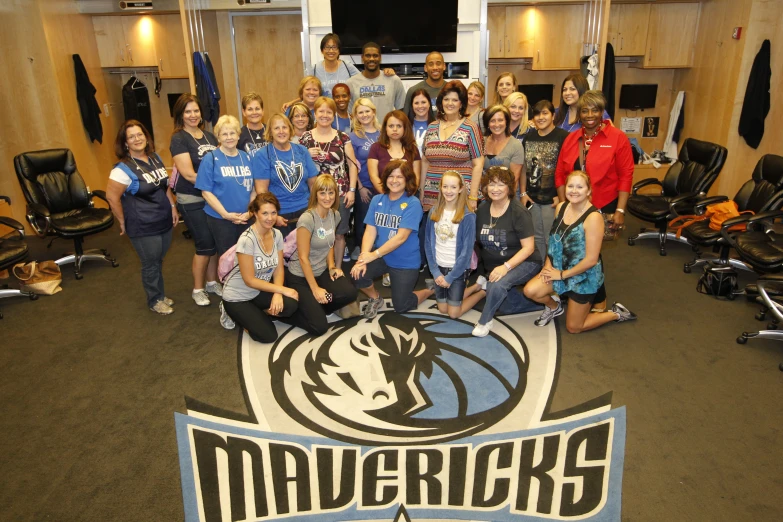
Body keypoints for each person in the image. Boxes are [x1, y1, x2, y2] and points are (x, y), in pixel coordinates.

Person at [523, 171, 636, 332]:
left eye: (579, 187)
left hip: (583, 275)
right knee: (530, 291)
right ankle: (555, 308)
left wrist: (561, 275)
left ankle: (616, 313)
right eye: (570, 186)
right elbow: (555, 241)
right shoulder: (561, 207)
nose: (574, 191)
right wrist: (548, 267)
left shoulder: (593, 218)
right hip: (560, 268)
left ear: (588, 191)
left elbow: (591, 260)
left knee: (574, 327)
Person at [106, 120, 178, 315]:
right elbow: (112, 198)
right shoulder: (122, 169)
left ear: (146, 137)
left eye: (140, 135)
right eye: (131, 137)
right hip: (143, 225)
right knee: (150, 263)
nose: (137, 139)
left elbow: (165, 186)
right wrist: (123, 221)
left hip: (163, 219)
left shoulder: (154, 158)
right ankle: (154, 299)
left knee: (158, 260)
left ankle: (160, 294)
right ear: (125, 143)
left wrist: (172, 206)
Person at [351, 159, 434, 317]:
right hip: (383, 256)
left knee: (401, 305)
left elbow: (401, 237)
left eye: (400, 177)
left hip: (405, 261)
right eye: (391, 176)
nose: (394, 180)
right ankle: (375, 298)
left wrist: (373, 255)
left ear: (407, 180)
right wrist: (363, 258)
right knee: (357, 274)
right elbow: (370, 230)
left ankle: (429, 290)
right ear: (385, 177)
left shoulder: (413, 203)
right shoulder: (377, 200)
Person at [469, 166, 542, 337]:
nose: (495, 189)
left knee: (497, 285)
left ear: (509, 187)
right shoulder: (483, 209)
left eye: (501, 185)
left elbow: (529, 248)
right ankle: (544, 302)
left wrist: (505, 267)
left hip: (525, 261)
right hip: (495, 265)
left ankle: (485, 320)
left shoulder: (519, 212)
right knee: (505, 306)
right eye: (492, 184)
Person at [285, 174, 359, 335]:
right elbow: (303, 258)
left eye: (331, 193)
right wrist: (316, 289)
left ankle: (318, 305)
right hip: (300, 276)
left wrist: (332, 266)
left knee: (349, 293)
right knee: (319, 327)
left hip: (321, 270)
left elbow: (329, 243)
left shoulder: (335, 215)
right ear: (315, 194)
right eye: (322, 193)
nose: (327, 197)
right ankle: (289, 314)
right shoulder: (307, 219)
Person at [219, 193, 299, 341]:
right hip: (237, 296)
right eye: (265, 213)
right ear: (255, 214)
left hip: (258, 292)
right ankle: (231, 312)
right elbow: (249, 280)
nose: (270, 218)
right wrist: (282, 289)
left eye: (273, 213)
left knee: (290, 305)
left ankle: (255, 312)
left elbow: (279, 268)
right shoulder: (246, 240)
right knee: (268, 336)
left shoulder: (277, 235)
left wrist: (277, 294)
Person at [555, 90, 633, 237]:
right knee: (575, 247)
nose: (590, 115)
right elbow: (560, 174)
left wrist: (620, 210)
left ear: (602, 112)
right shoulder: (571, 139)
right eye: (585, 111)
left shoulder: (618, 138)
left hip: (605, 203)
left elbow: (626, 176)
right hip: (574, 204)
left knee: (594, 248)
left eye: (595, 110)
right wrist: (563, 204)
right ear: (579, 114)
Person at [169, 93, 222, 307]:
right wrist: (215, 188)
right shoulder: (179, 138)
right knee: (204, 245)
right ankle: (198, 289)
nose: (193, 115)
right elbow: (189, 174)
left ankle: (211, 282)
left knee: (215, 243)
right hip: (191, 199)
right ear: (181, 115)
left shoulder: (210, 137)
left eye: (196, 111)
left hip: (212, 198)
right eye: (188, 111)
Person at [299, 96, 359, 270]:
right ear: (314, 113)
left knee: (339, 234)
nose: (324, 115)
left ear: (333, 115)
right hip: (313, 194)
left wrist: (352, 190)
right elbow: (297, 167)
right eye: (321, 111)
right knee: (314, 234)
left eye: (328, 112)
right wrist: (306, 155)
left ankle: (337, 269)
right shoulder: (305, 138)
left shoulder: (343, 137)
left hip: (340, 194)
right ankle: (315, 269)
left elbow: (352, 165)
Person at [195, 115, 256, 258]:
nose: (229, 137)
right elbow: (206, 192)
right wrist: (226, 215)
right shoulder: (210, 159)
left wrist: (249, 212)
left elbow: (253, 190)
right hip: (221, 220)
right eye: (224, 134)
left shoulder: (246, 157)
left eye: (232, 133)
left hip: (246, 217)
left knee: (249, 257)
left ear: (238, 135)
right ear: (218, 137)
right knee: (228, 260)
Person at [281, 33, 394, 108]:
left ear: (339, 50)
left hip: (344, 113)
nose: (331, 51)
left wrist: (385, 72)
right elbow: (307, 93)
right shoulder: (315, 69)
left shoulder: (347, 67)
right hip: (323, 114)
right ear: (322, 50)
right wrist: (293, 102)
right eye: (327, 47)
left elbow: (365, 79)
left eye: (334, 47)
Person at [421, 81, 485, 213]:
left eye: (455, 100)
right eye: (446, 99)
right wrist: (422, 191)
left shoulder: (470, 127)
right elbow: (425, 161)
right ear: (441, 102)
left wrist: (473, 196)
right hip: (432, 196)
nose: (450, 103)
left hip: (460, 196)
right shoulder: (432, 127)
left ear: (461, 103)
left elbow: (478, 163)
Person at [253, 113, 319, 237]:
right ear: (270, 132)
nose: (281, 131)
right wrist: (273, 216)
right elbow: (262, 191)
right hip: (279, 215)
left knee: (307, 252)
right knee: (282, 254)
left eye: (284, 127)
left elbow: (313, 184)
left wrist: (314, 209)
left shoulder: (302, 151)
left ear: (290, 129)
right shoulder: (262, 155)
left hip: (305, 211)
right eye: (276, 128)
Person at [424, 170, 476, 318]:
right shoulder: (434, 211)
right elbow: (428, 242)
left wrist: (450, 277)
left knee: (453, 314)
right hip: (439, 268)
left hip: (457, 269)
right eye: (445, 186)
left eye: (453, 187)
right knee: (442, 309)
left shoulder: (468, 216)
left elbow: (466, 252)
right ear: (440, 187)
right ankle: (467, 290)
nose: (448, 191)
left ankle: (479, 290)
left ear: (460, 189)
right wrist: (435, 271)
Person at [523, 100, 570, 261]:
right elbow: (523, 167)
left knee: (553, 238)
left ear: (553, 115)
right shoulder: (529, 137)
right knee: (537, 238)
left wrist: (561, 195)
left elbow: (567, 169)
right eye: (537, 113)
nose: (540, 117)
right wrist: (523, 192)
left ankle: (554, 272)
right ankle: (543, 271)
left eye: (545, 113)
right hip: (533, 198)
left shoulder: (563, 137)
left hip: (553, 199)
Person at [348, 98, 382, 261]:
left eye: (367, 111)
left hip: (384, 186)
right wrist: (359, 187)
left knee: (382, 220)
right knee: (363, 220)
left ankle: (379, 250)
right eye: (360, 112)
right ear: (355, 116)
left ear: (374, 112)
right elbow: (352, 164)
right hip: (365, 186)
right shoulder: (353, 137)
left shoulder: (383, 133)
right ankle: (360, 248)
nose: (364, 115)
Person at [346, 42, 406, 121]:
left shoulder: (393, 80)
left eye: (375, 56)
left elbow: (401, 110)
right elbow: (350, 114)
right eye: (368, 56)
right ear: (362, 57)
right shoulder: (351, 83)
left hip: (387, 132)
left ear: (380, 58)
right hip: (362, 132)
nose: (371, 59)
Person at [368, 110, 421, 193]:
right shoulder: (376, 148)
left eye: (399, 126)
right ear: (385, 128)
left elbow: (416, 178)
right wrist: (389, 197)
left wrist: (407, 197)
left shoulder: (413, 149)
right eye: (391, 126)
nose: (395, 129)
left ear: (405, 128)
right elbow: (373, 176)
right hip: (383, 198)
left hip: (408, 198)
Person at [482, 104, 525, 193]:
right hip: (483, 193)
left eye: (500, 120)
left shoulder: (516, 145)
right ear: (487, 124)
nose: (497, 124)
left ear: (506, 122)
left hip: (506, 195)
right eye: (492, 121)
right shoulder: (481, 141)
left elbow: (514, 181)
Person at [402, 51, 446, 116]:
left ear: (444, 66)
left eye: (438, 63)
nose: (435, 68)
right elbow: (405, 121)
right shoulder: (413, 91)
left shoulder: (452, 90)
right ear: (425, 68)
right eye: (431, 64)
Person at [407, 88, 435, 156]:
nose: (420, 106)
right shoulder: (406, 126)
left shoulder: (438, 126)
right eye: (416, 103)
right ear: (412, 106)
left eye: (423, 102)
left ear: (429, 104)